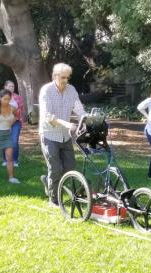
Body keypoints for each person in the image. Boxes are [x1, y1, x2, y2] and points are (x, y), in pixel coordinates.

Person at [39, 63, 86, 206]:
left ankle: (48, 181)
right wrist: (67, 124)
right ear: (55, 76)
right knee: (55, 168)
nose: (65, 80)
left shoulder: (71, 90)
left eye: (67, 77)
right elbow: (48, 116)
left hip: (65, 135)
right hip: (49, 134)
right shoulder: (46, 90)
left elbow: (79, 109)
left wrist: (85, 119)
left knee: (70, 167)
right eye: (63, 77)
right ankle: (53, 200)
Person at [1, 80, 24, 167]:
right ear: (5, 87)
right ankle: (5, 160)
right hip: (3, 122)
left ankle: (15, 161)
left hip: (16, 122)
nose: (11, 88)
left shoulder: (18, 98)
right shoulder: (1, 98)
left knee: (14, 141)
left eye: (13, 86)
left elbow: (19, 112)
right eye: (10, 86)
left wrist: (11, 122)